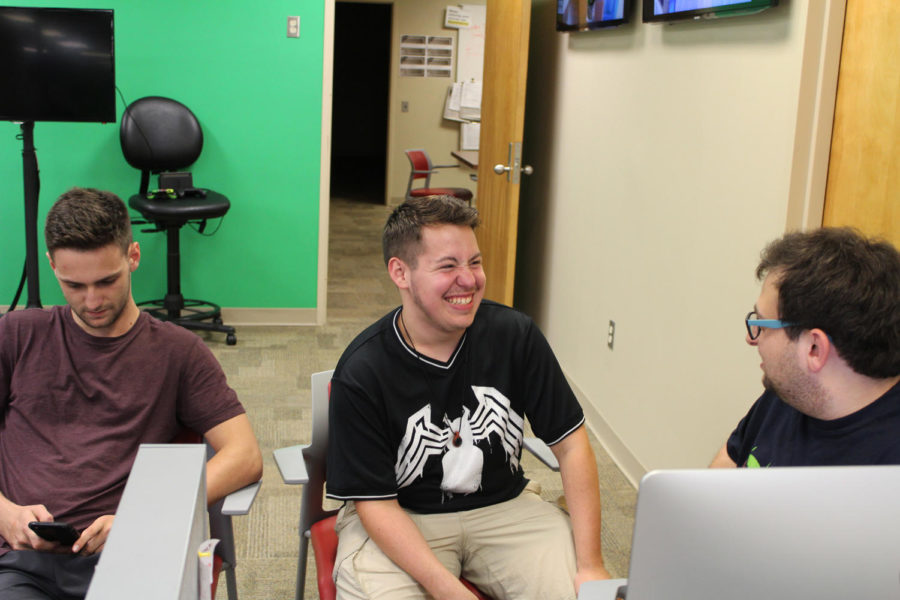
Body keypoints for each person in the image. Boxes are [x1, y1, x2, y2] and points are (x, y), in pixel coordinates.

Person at [326, 195, 609, 600]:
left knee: (587, 595)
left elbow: (571, 445)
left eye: (474, 262)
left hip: (505, 508)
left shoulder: (515, 336)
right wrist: (449, 590)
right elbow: (376, 505)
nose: (470, 279)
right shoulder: (363, 369)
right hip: (400, 515)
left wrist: (591, 565)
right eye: (448, 266)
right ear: (400, 273)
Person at [0, 188, 263, 599]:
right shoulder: (16, 337)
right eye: (74, 285)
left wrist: (137, 518)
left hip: (132, 554)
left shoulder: (178, 352)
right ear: (51, 266)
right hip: (21, 563)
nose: (92, 301)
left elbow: (244, 457)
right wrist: (4, 514)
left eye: (106, 281)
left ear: (133, 256)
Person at [710, 227, 900, 468]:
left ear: (814, 348)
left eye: (763, 325)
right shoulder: (790, 390)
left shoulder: (889, 467)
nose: (752, 339)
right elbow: (731, 457)